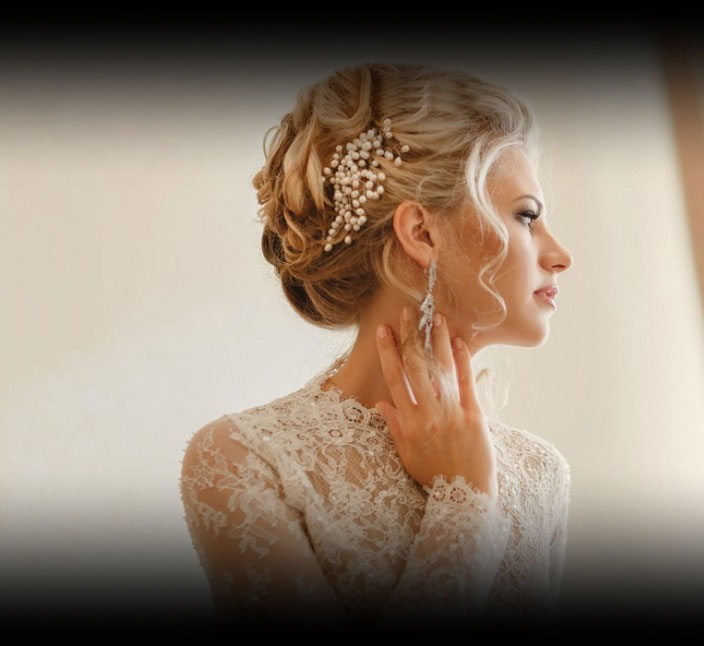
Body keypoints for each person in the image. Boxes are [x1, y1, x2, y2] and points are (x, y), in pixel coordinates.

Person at [177, 62, 573, 636]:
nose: (560, 255)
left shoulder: (540, 475)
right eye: (527, 217)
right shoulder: (244, 462)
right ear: (422, 234)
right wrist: (466, 505)